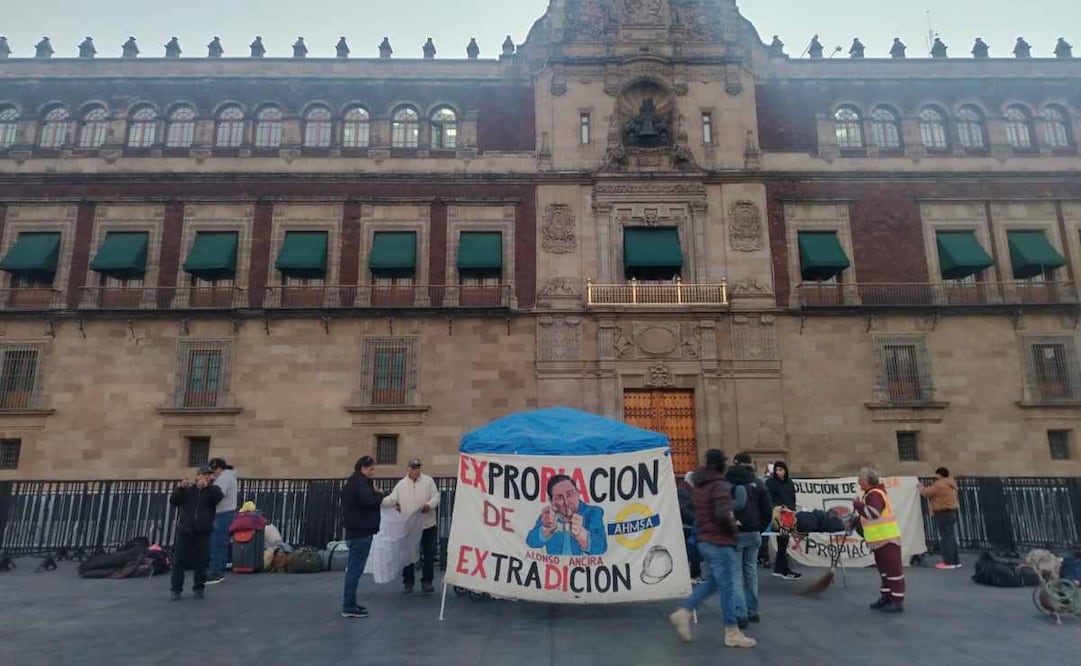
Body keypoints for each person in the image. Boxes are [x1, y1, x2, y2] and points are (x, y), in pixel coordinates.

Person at [669, 449, 756, 648]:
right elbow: (723, 513)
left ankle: (684, 612)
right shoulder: (719, 485)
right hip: (719, 540)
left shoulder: (699, 485)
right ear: (720, 465)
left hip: (704, 540)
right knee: (727, 587)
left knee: (716, 582)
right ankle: (731, 631)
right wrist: (733, 532)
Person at [726, 452, 773, 627]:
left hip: (736, 532)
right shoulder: (759, 484)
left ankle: (741, 614)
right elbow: (768, 511)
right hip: (754, 533)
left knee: (736, 574)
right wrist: (759, 529)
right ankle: (753, 611)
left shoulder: (730, 484)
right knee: (751, 572)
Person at [382, 457, 441, 594]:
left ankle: (427, 581)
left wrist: (429, 505)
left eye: (418, 467)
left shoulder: (428, 481)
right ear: (408, 469)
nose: (416, 470)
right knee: (408, 555)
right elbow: (392, 499)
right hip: (409, 525)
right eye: (413, 468)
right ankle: (408, 582)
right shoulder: (401, 484)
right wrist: (378, 500)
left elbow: (436, 497)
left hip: (427, 525)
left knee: (429, 554)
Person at [853, 467, 905, 614]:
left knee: (893, 571)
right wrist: (857, 520)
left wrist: (857, 505)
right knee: (885, 571)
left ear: (867, 481)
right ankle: (887, 597)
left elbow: (874, 513)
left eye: (861, 480)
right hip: (879, 539)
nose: (859, 483)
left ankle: (897, 601)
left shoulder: (874, 495)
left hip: (886, 538)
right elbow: (870, 514)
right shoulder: (872, 494)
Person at [169, 465, 224, 600]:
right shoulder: (188, 490)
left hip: (203, 530)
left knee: (202, 561)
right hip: (185, 529)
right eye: (204, 475)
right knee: (179, 561)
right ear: (198, 476)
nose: (206, 477)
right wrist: (180, 488)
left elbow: (218, 497)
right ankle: (176, 589)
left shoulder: (214, 490)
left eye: (208, 475)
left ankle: (199, 587)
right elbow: (174, 501)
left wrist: (208, 487)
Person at [341, 455, 385, 618]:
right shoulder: (360, 483)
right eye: (371, 469)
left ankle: (350, 603)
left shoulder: (352, 483)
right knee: (354, 570)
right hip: (361, 532)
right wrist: (379, 494)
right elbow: (368, 500)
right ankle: (349, 605)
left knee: (354, 569)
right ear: (363, 468)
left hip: (355, 531)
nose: (373, 472)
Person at [526, 474, 607, 555]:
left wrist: (581, 535)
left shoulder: (594, 513)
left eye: (570, 494)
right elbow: (531, 542)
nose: (566, 502)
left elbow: (602, 548)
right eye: (559, 497)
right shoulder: (548, 516)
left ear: (578, 493)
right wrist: (546, 530)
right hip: (554, 567)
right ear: (551, 501)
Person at [765, 461, 803, 581]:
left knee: (783, 541)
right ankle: (783, 569)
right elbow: (768, 499)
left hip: (788, 517)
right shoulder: (770, 483)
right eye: (777, 470)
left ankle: (780, 568)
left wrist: (791, 510)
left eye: (781, 470)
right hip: (777, 516)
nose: (779, 472)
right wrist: (779, 507)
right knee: (782, 540)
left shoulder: (789, 483)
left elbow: (792, 498)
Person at [920, 467, 961, 570]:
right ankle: (955, 561)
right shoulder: (951, 482)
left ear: (939, 474)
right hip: (951, 511)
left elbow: (927, 493)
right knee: (951, 537)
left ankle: (948, 562)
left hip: (942, 512)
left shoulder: (940, 484)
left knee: (945, 538)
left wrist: (921, 487)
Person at [206, 458, 237, 584]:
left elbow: (217, 495)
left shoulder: (223, 479)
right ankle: (220, 570)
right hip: (228, 513)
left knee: (216, 544)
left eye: (213, 471)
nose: (213, 474)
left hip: (221, 513)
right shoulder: (231, 477)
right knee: (222, 544)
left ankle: (216, 572)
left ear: (218, 468)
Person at [677, 471, 701, 580]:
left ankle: (695, 574)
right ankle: (693, 575)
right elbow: (683, 509)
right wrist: (694, 518)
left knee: (692, 549)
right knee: (690, 550)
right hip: (687, 525)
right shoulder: (684, 491)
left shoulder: (690, 490)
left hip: (691, 524)